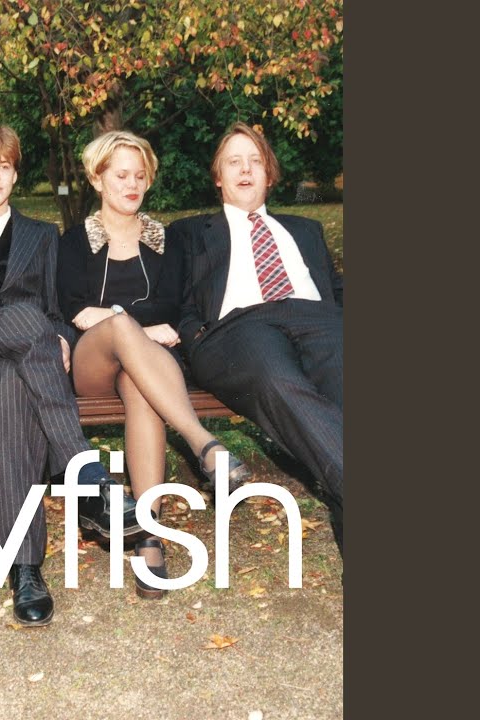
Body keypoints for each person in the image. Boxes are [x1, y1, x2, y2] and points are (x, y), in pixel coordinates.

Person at [0, 123, 141, 627]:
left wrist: (60, 337)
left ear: (16, 174)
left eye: (4, 166)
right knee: (23, 317)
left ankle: (25, 569)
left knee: (13, 381)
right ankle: (84, 471)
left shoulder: (43, 236)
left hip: (24, 368)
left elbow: (58, 312)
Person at [57, 130, 254, 599]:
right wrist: (136, 329)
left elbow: (176, 308)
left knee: (140, 387)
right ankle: (203, 443)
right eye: (121, 175)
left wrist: (137, 330)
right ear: (97, 178)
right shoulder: (74, 241)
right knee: (122, 327)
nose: (132, 185)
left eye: (140, 176)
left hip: (145, 371)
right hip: (91, 363)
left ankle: (148, 539)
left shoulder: (167, 240)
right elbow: (77, 310)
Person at [173, 122, 344, 553]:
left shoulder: (306, 229)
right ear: (218, 177)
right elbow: (175, 300)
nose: (245, 169)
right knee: (276, 378)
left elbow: (337, 292)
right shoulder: (190, 232)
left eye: (255, 161)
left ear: (270, 175)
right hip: (238, 329)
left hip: (317, 318)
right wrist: (194, 336)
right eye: (234, 162)